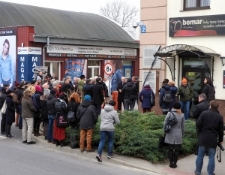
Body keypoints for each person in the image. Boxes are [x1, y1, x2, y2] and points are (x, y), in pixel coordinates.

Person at [195, 100, 224, 175]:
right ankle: (210, 173)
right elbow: (221, 131)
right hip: (212, 139)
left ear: (210, 106)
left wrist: (200, 132)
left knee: (200, 156)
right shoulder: (219, 117)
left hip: (203, 138)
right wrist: (220, 140)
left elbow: (198, 123)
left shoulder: (204, 113)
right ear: (217, 107)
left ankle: (198, 171)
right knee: (211, 158)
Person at [163, 102, 185, 168]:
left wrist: (164, 131)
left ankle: (170, 163)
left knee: (170, 149)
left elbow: (165, 123)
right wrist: (182, 134)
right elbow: (183, 126)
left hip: (170, 133)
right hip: (178, 134)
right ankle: (175, 163)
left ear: (173, 107)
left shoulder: (169, 113)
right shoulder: (182, 115)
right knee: (176, 150)